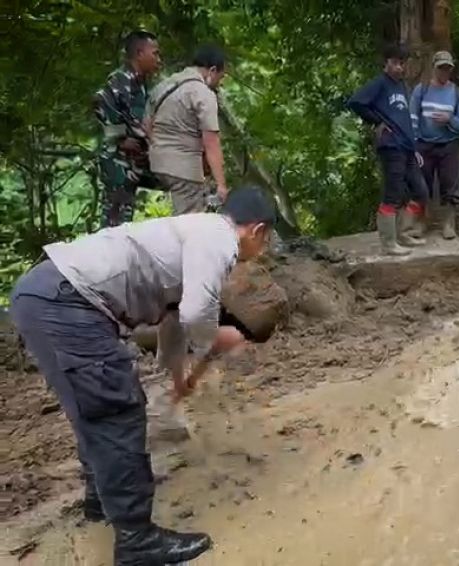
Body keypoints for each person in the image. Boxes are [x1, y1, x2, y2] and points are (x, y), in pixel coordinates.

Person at [9, 187, 277, 565]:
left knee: (95, 408)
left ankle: (100, 500)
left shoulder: (192, 232)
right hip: (68, 303)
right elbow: (198, 312)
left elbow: (173, 320)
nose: (259, 253)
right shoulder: (218, 239)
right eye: (265, 243)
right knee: (117, 410)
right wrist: (219, 336)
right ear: (258, 231)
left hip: (48, 296)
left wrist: (178, 378)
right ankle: (137, 540)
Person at [348, 44, 430, 255]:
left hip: (407, 146)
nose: (399, 67)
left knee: (420, 191)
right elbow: (356, 102)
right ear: (386, 63)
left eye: (402, 63)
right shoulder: (380, 84)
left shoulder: (401, 86)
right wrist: (377, 122)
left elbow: (404, 119)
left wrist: (415, 147)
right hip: (391, 146)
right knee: (392, 194)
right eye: (395, 62)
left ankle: (404, 233)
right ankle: (388, 243)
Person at [146, 44, 229, 215]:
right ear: (212, 70)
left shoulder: (164, 86)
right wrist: (221, 185)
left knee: (181, 217)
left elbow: (147, 125)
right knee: (190, 224)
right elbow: (211, 142)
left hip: (158, 164)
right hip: (184, 169)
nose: (218, 84)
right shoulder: (202, 93)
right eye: (219, 78)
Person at [93, 30, 162, 227]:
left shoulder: (142, 84)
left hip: (136, 160)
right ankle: (105, 256)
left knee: (124, 215)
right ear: (139, 53)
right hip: (118, 160)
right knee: (115, 217)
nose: (158, 58)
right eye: (154, 53)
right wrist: (121, 137)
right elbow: (99, 103)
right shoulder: (121, 79)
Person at [411, 50, 459, 239]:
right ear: (434, 68)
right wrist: (413, 146)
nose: (445, 71)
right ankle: (421, 223)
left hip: (448, 146)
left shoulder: (458, 94)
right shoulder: (421, 90)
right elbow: (412, 118)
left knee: (450, 187)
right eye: (441, 68)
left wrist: (449, 119)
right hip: (423, 145)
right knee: (421, 186)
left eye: (448, 68)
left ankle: (448, 224)